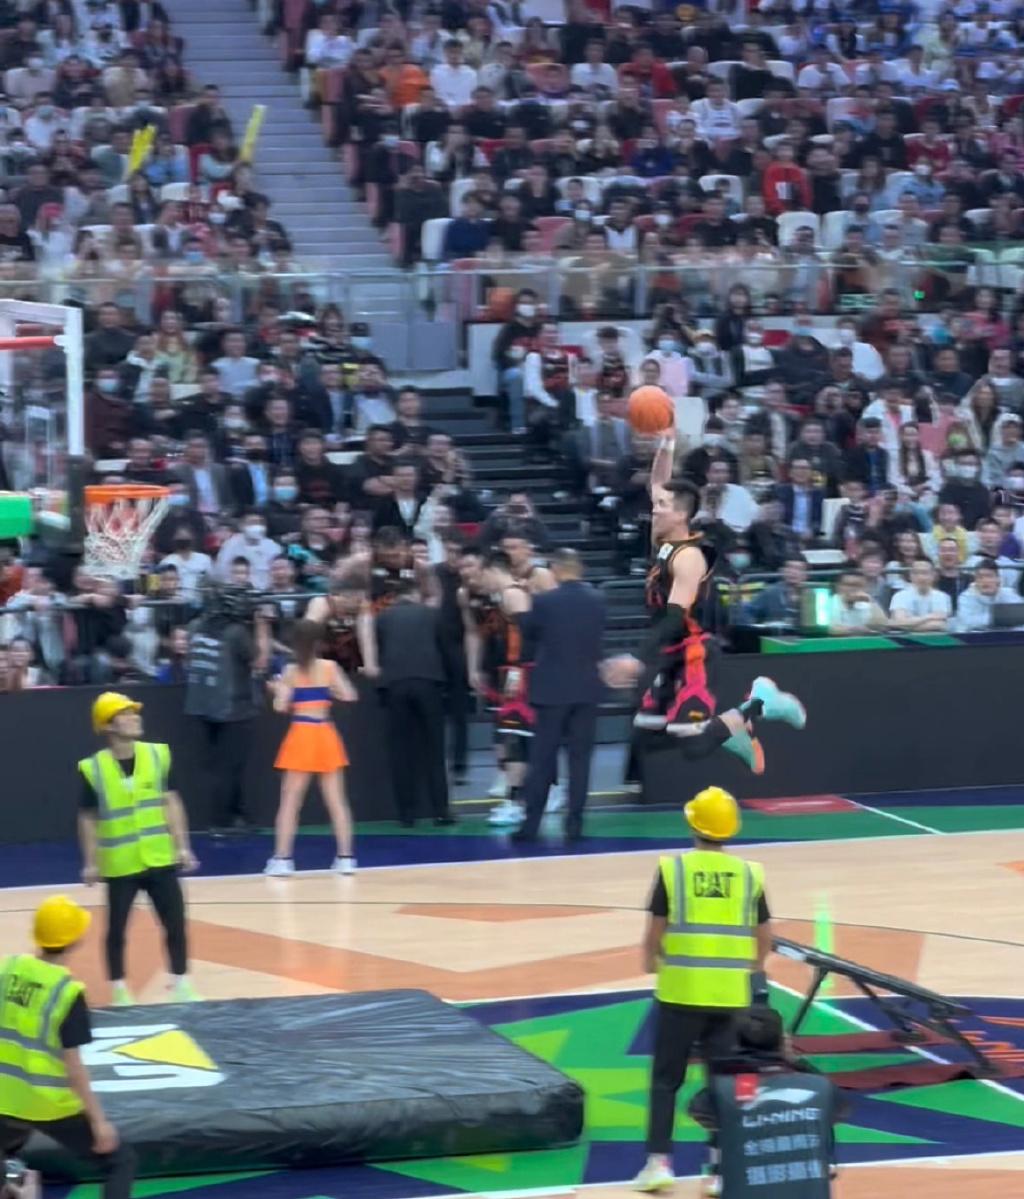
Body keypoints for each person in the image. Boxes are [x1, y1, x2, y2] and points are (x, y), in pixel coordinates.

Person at [601, 427, 806, 777]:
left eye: (661, 507)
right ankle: (732, 728)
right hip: (668, 654)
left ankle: (760, 704)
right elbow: (658, 483)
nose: (654, 510)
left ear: (681, 515)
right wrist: (666, 442)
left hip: (692, 653)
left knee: (693, 745)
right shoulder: (663, 541)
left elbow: (674, 615)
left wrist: (636, 658)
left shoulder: (688, 558)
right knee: (646, 738)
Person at [633, 787, 773, 1192]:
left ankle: (658, 1164)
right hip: (729, 998)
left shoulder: (673, 871)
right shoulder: (749, 874)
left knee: (666, 1080)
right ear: (731, 829)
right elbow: (765, 936)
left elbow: (655, 931)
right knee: (724, 1083)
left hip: (680, 993)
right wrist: (750, 969)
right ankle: (719, 1170)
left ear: (692, 824)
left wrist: (650, 961)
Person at [0, 896, 135, 1199]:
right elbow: (74, 1068)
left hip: (4, 1097)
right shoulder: (67, 992)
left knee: (8, 1145)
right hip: (48, 1104)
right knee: (120, 1161)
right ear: (76, 940)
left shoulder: (7, 970)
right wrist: (99, 1123)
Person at [78, 692, 199, 1006]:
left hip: (159, 857)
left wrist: (183, 846)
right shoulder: (94, 768)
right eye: (126, 713)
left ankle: (181, 983)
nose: (134, 717)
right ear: (108, 725)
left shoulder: (157, 755)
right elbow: (88, 818)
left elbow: (171, 802)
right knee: (116, 930)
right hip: (121, 864)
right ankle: (119, 989)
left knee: (175, 923)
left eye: (134, 712)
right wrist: (90, 861)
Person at [688, 1007, 843, 1197]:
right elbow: (838, 1106)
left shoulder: (724, 1091)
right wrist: (795, 1061)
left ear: (736, 1042)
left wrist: (738, 1066)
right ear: (783, 1041)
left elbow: (699, 1110)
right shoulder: (819, 1087)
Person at [511, 549, 607, 844]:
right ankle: (574, 826)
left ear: (555, 569)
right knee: (580, 761)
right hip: (587, 688)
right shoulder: (598, 599)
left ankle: (531, 826)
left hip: (552, 690)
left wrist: (525, 602)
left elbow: (528, 632)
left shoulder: (544, 601)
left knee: (542, 760)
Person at [264, 619, 357, 877]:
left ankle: (282, 859)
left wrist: (277, 689)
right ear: (318, 643)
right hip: (325, 733)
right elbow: (350, 695)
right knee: (337, 801)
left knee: (290, 802)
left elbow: (280, 707)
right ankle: (346, 858)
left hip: (301, 735)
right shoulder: (330, 668)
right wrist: (329, 693)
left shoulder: (290, 671)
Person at [374, 584, 454, 826]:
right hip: (429, 682)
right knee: (434, 750)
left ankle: (406, 814)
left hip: (395, 684)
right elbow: (447, 650)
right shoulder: (432, 615)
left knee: (400, 751)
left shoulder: (382, 618)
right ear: (416, 595)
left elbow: (378, 651)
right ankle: (441, 811)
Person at [183, 584, 260, 835]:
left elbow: (188, 661)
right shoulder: (237, 632)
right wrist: (262, 626)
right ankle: (220, 823)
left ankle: (238, 816)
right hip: (233, 708)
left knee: (222, 767)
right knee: (230, 768)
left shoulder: (195, 627)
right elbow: (259, 660)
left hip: (202, 706)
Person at [888, 557, 952, 632]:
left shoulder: (942, 597)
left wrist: (908, 625)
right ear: (910, 575)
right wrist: (930, 617)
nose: (920, 577)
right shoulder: (899, 596)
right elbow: (900, 622)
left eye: (925, 573)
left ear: (933, 575)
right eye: (916, 573)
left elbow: (941, 625)